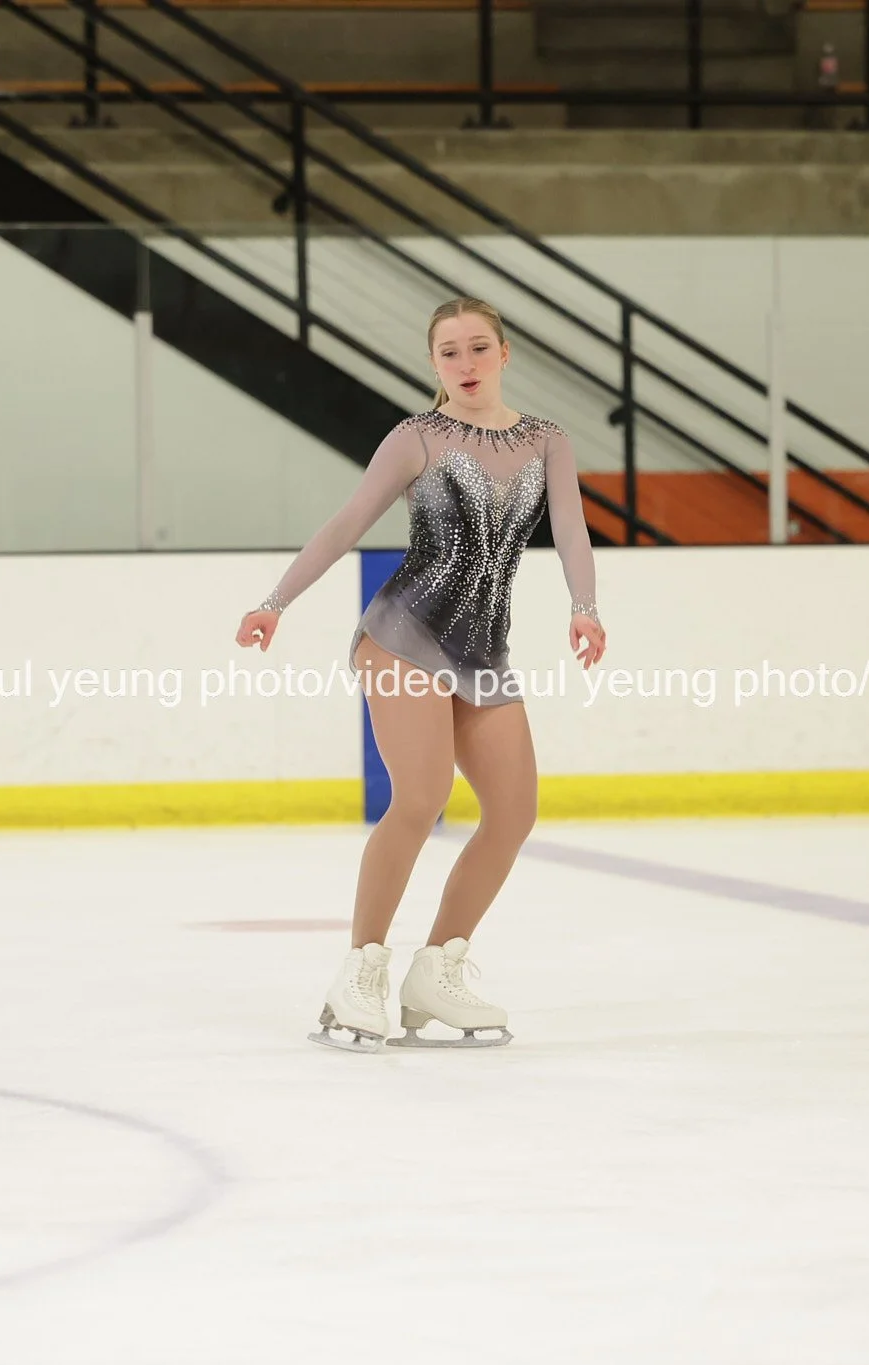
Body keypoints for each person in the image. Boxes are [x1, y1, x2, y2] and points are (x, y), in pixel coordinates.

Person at [234, 296, 607, 1055]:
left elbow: (570, 527)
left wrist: (584, 607)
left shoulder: (549, 441)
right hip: (404, 637)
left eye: (478, 348)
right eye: (449, 352)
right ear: (433, 362)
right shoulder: (416, 437)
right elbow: (347, 522)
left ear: (505, 353)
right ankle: (360, 970)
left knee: (514, 811)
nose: (465, 364)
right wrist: (275, 601)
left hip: (483, 650)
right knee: (421, 797)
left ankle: (437, 969)